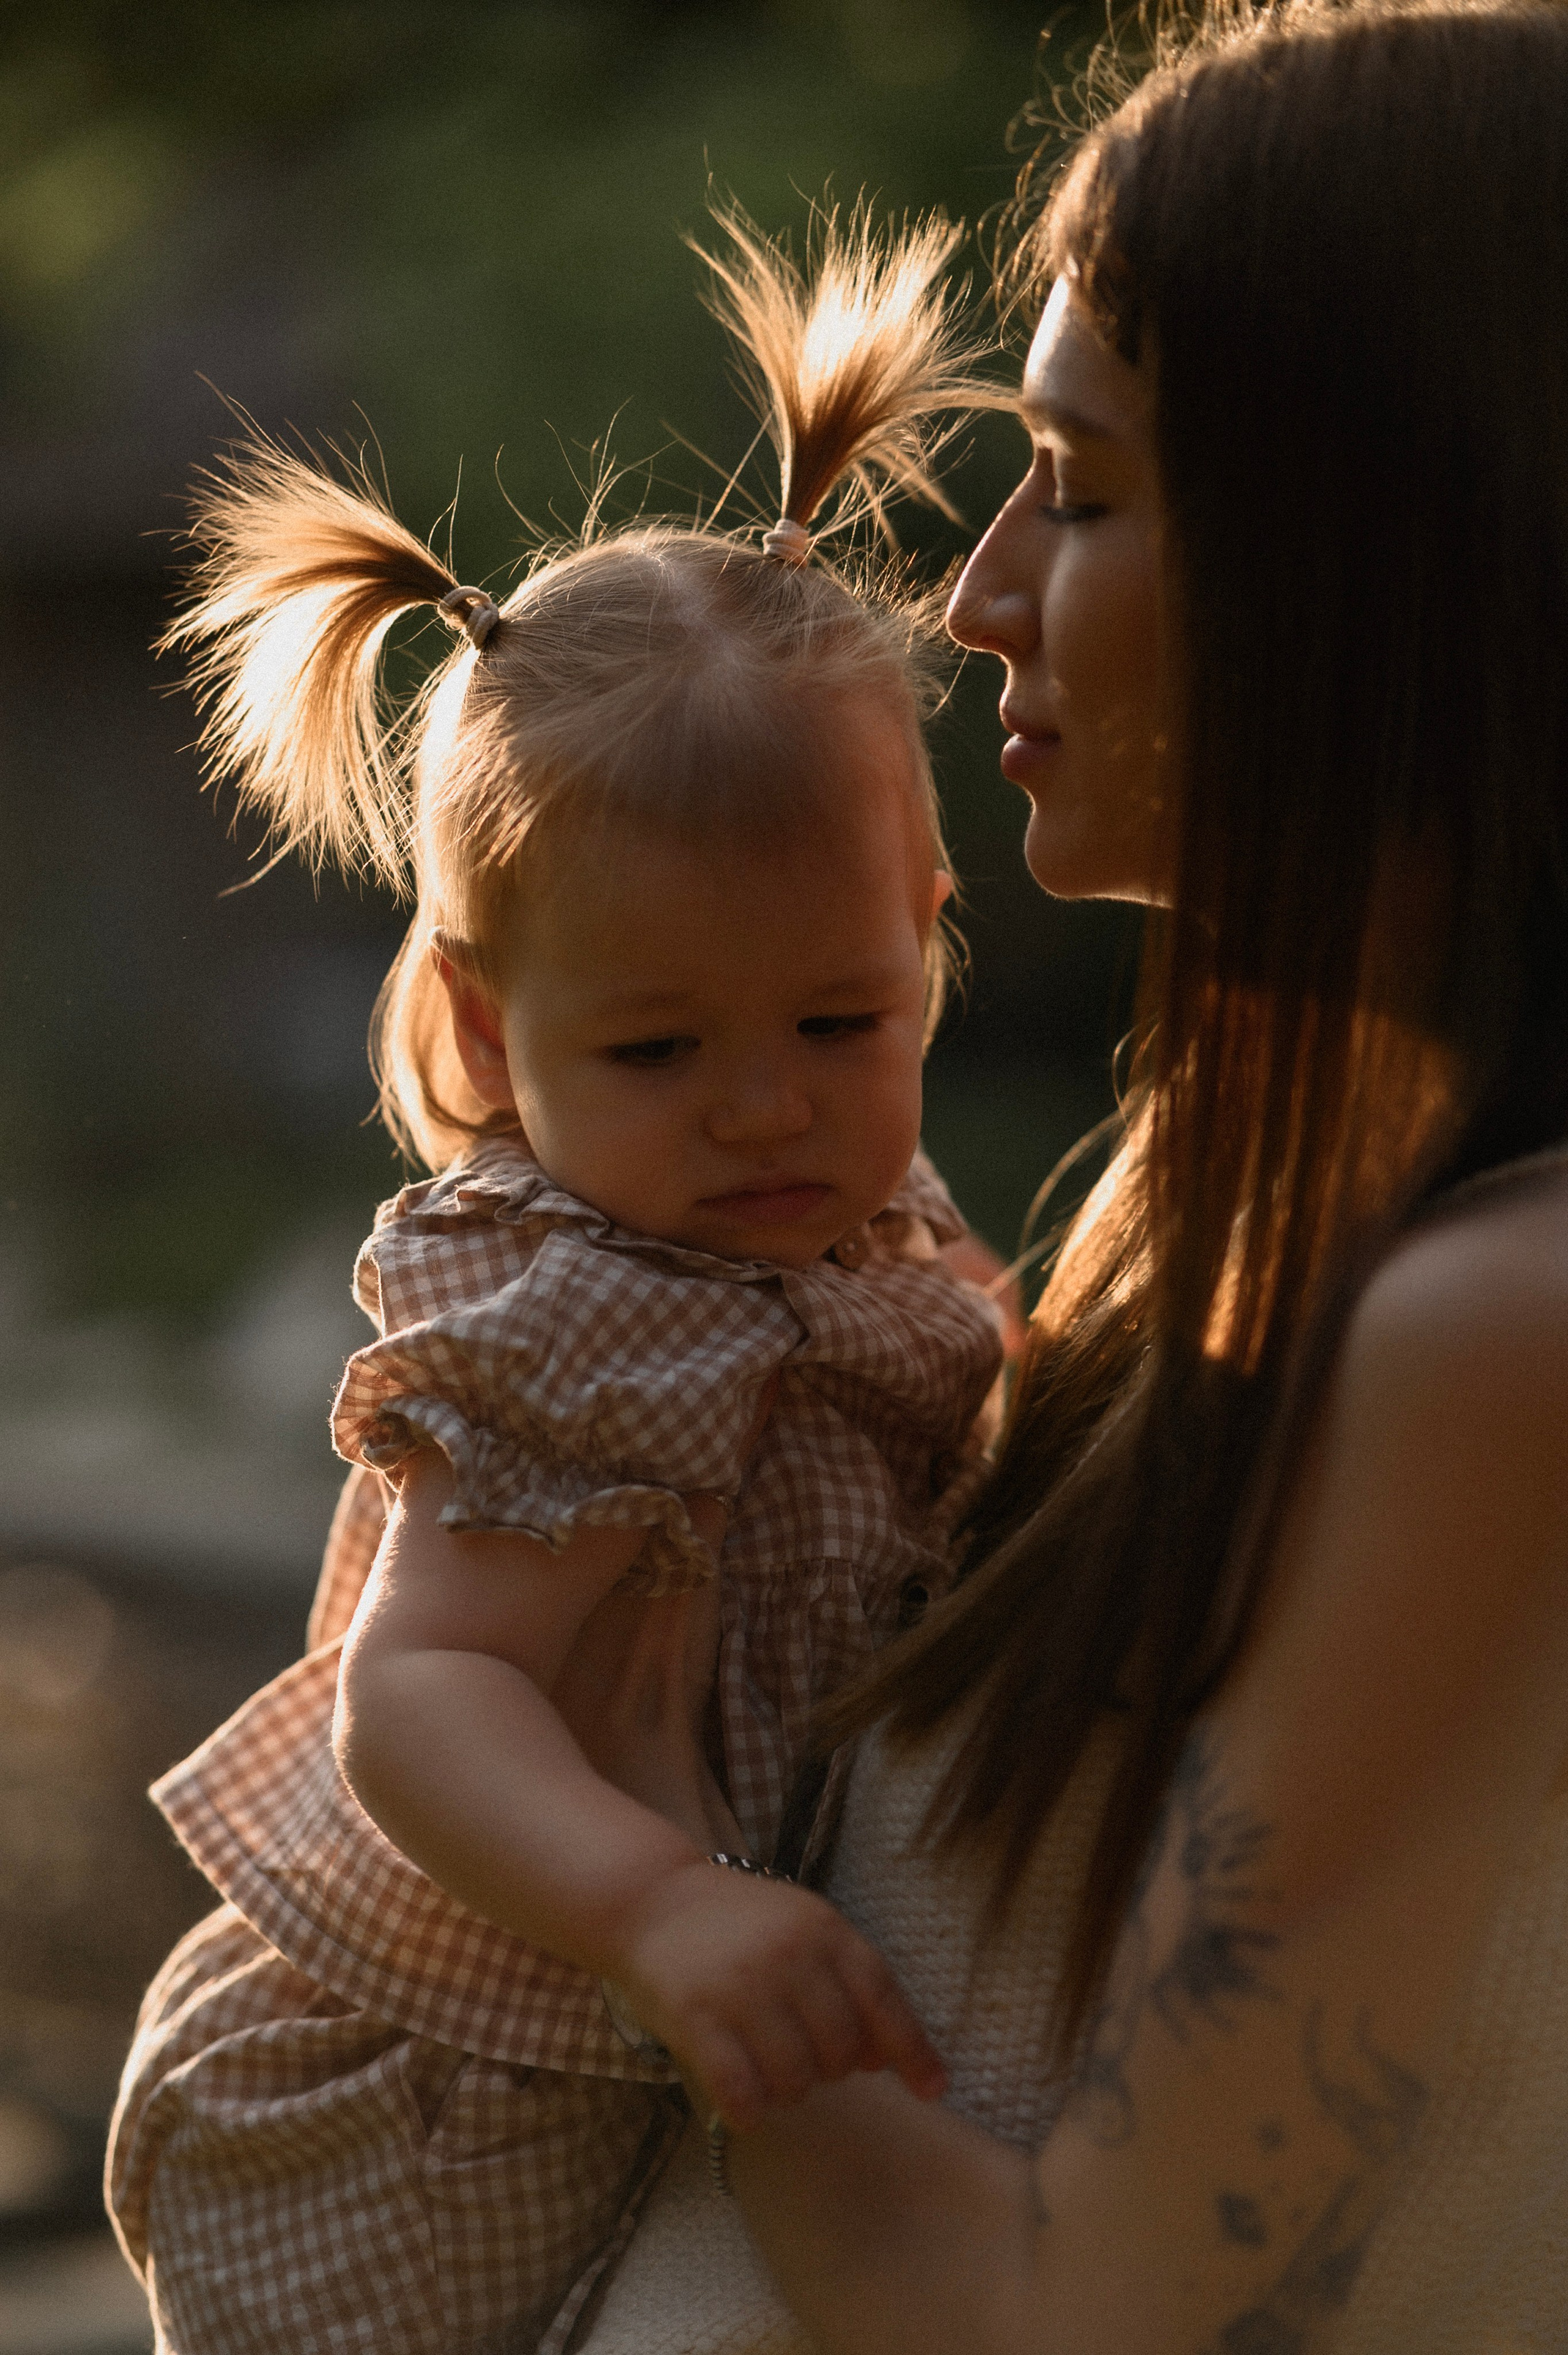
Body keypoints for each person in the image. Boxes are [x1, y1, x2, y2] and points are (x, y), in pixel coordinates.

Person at [565, 6, 1568, 2350]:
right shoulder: (1207, 1238)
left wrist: (645, 1885)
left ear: (1396, 544)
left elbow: (1082, 2318)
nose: (980, 590)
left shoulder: (1497, 1331)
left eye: (1084, 488)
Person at [104, 210, 1009, 2355]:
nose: (768, 1110)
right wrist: (655, 1904)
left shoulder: (854, 1222)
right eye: (659, 1049)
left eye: (840, 1021)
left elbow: (965, 1350)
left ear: (931, 945)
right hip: (427, 2080)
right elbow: (422, 1693)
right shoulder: (574, 1308)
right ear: (494, 1041)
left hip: (647, 2042)